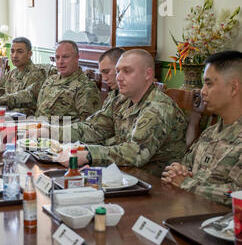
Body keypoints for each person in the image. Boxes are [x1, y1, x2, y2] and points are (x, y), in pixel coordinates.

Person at [55, 49, 187, 177]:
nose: (119, 77)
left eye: (127, 71)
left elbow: (136, 153)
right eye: (117, 71)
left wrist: (89, 154)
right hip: (124, 173)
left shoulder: (158, 107)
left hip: (155, 183)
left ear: (148, 74)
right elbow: (94, 128)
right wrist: (51, 131)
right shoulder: (121, 100)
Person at [161, 51, 242, 205]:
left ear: (233, 88)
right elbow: (185, 167)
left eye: (209, 83)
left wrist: (185, 183)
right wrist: (176, 171)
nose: (203, 91)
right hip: (191, 212)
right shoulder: (210, 133)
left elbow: (236, 194)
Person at [34, 40, 101, 122]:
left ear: (77, 58)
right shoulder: (51, 79)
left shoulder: (86, 87)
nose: (60, 62)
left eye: (65, 57)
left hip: (59, 133)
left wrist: (52, 131)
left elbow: (86, 126)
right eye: (57, 57)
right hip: (35, 127)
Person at [0, 37, 46, 115]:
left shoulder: (36, 73)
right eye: (12, 51)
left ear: (29, 54)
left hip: (25, 118)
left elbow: (27, 96)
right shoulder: (13, 72)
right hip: (8, 113)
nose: (14, 55)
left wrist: (1, 100)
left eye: (20, 52)